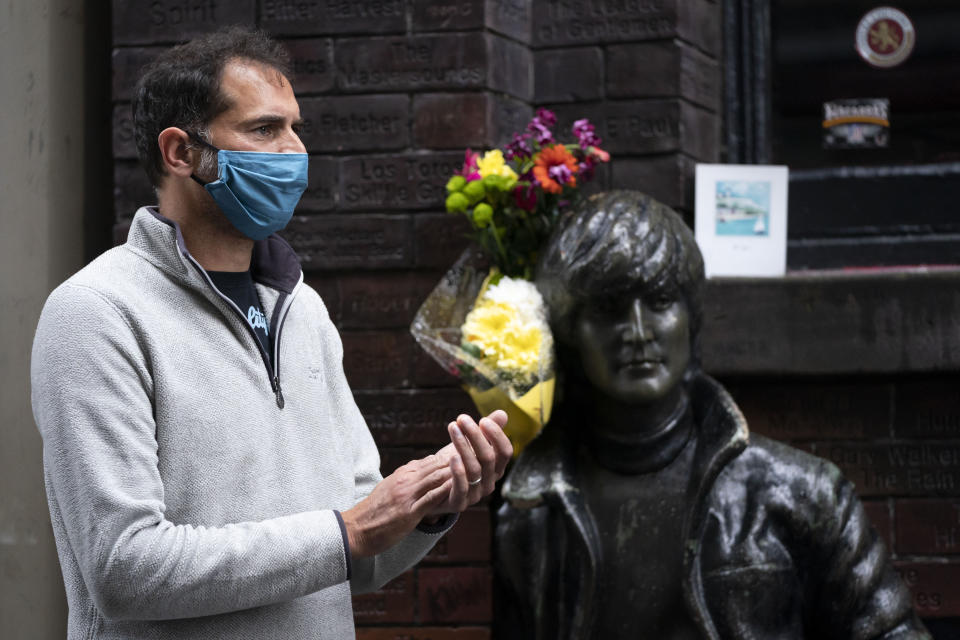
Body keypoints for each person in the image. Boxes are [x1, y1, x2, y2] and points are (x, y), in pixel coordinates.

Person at [31, 27, 512, 639]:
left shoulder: (302, 310)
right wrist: (349, 530)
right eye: (263, 130)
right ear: (182, 153)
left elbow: (352, 560)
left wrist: (426, 508)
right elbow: (125, 568)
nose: (293, 151)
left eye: (295, 127)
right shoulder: (96, 312)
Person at [495, 191, 929, 639]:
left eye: (660, 301)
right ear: (569, 330)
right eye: (609, 309)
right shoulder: (530, 511)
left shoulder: (802, 494)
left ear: (690, 317)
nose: (639, 332)